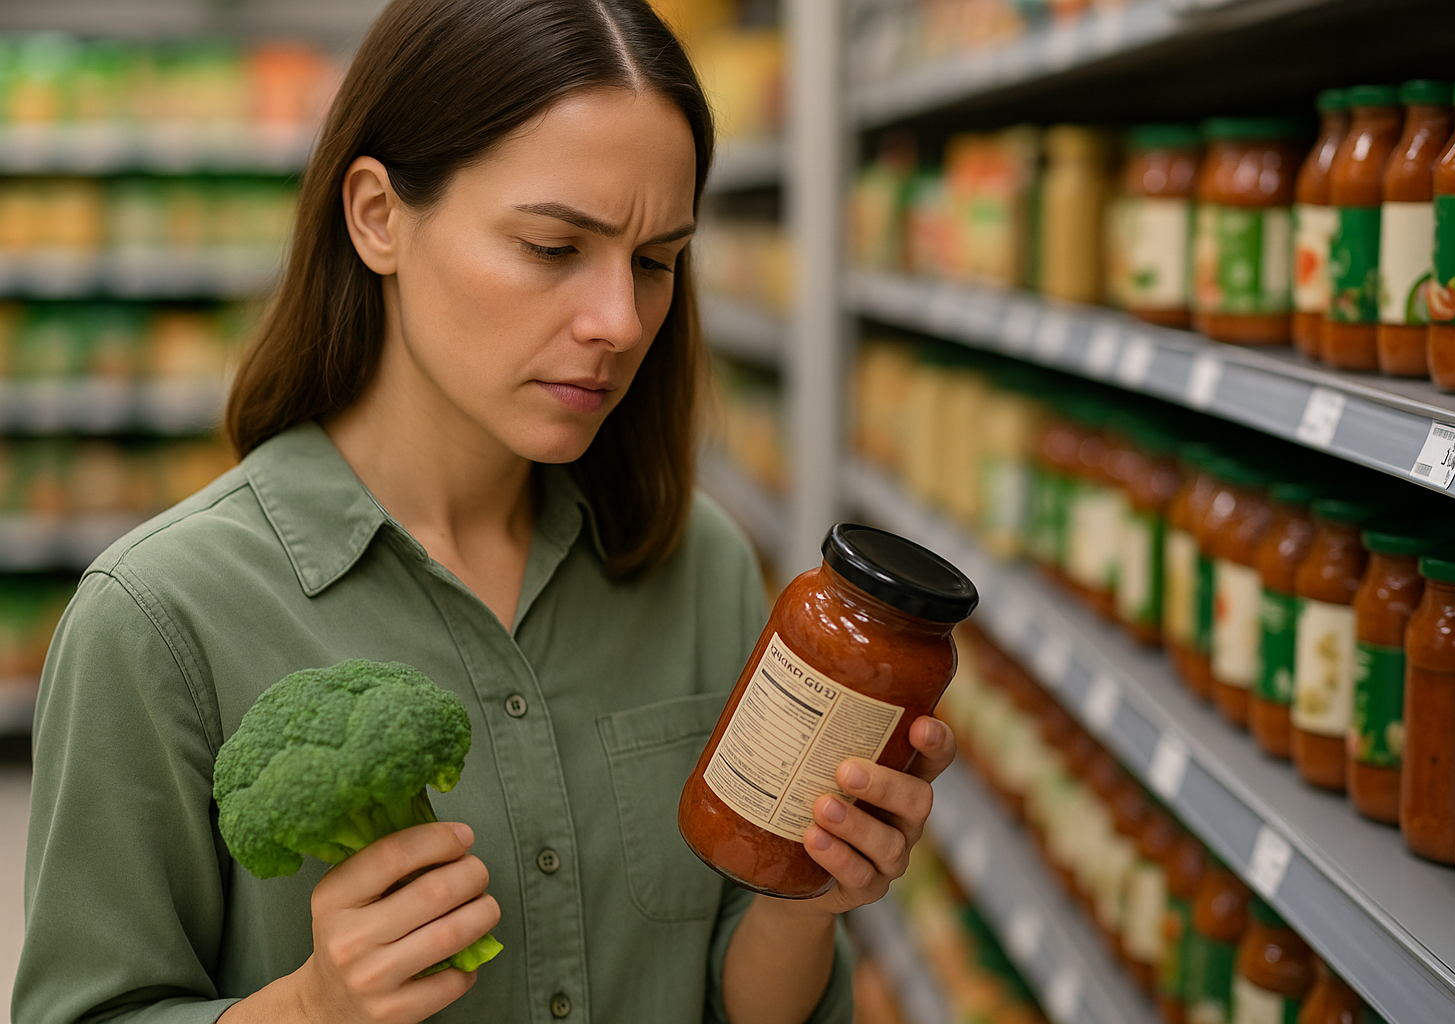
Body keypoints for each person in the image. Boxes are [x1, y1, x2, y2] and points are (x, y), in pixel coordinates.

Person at [14, 2, 957, 1023]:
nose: (620, 322)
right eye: (555, 247)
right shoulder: (158, 617)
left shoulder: (702, 567)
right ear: (378, 215)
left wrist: (811, 898)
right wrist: (311, 1007)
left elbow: (740, 996)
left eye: (654, 261)